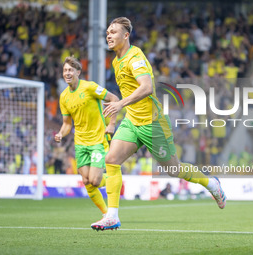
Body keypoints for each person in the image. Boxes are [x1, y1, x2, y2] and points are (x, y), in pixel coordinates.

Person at [91, 17, 226, 231]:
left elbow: (146, 88)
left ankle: (211, 184)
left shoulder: (135, 57)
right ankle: (112, 216)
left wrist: (120, 105)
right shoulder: (116, 61)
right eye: (107, 32)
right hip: (132, 121)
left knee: (174, 169)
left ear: (126, 36)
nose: (108, 35)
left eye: (113, 32)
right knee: (111, 159)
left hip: (153, 123)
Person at [55, 56, 119, 218]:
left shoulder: (90, 87)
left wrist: (111, 125)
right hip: (80, 143)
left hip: (98, 140)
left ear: (78, 72)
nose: (67, 73)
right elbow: (67, 124)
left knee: (95, 181)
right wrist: (61, 133)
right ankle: (106, 215)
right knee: (86, 182)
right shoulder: (63, 97)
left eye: (70, 70)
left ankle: (113, 180)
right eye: (64, 70)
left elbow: (114, 99)